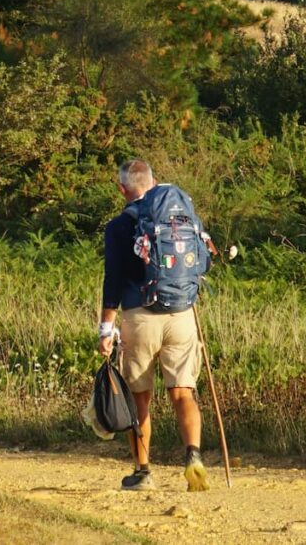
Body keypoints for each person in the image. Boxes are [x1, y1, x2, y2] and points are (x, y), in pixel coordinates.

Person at [98, 156, 212, 491]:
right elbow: (200, 263)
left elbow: (113, 280)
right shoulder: (183, 217)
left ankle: (143, 472)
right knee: (183, 392)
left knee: (139, 398)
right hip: (182, 315)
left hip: (139, 317)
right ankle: (193, 455)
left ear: (122, 189)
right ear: (154, 180)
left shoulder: (120, 225)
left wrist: (107, 328)